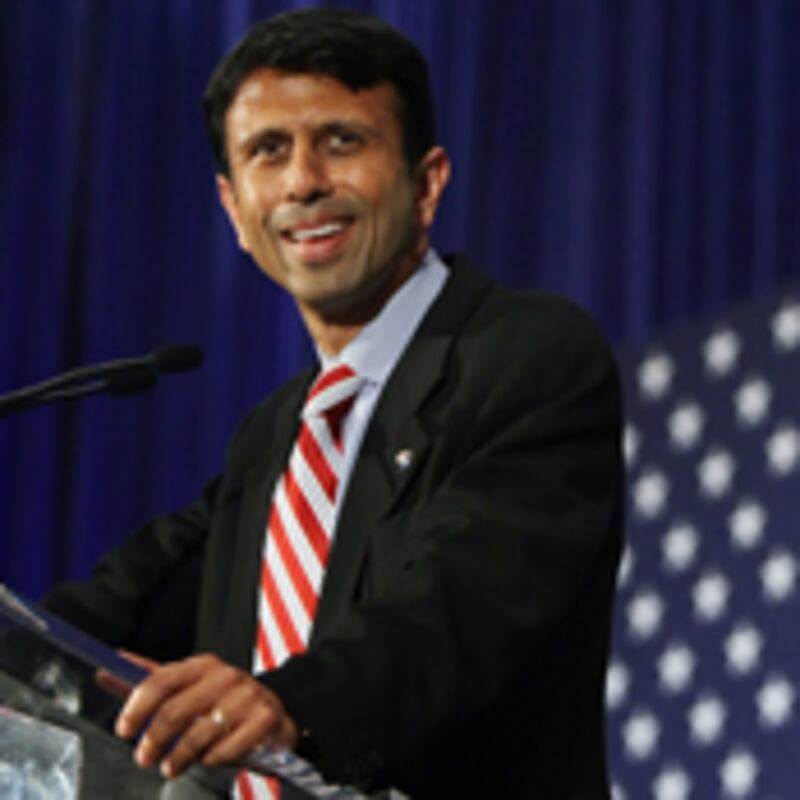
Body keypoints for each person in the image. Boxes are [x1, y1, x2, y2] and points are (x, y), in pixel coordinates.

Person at [42, 8, 624, 798]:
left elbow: (453, 613)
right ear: (235, 210)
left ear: (427, 182)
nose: (303, 182)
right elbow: (115, 608)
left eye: (342, 141)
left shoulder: (529, 358)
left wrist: (290, 706)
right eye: (268, 151)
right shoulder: (274, 439)